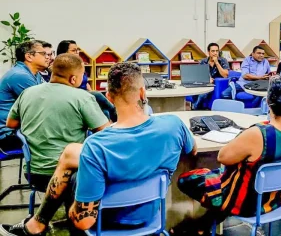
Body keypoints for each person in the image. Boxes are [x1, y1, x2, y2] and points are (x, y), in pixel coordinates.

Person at [67, 62, 196, 232]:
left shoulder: (95, 145)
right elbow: (192, 150)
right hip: (152, 216)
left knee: (74, 180)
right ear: (142, 92)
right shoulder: (174, 125)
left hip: (107, 223)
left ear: (109, 97)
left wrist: (69, 207)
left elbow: (85, 222)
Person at [173, 78, 281, 235]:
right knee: (232, 177)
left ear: (267, 101)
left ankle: (199, 223)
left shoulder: (259, 134)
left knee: (188, 179)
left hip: (246, 204)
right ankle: (203, 225)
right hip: (277, 199)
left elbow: (223, 157)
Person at [0, 54, 110, 236]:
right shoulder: (82, 97)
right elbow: (105, 134)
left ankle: (39, 223)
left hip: (34, 173)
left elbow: (11, 124)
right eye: (83, 75)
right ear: (74, 78)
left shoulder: (28, 92)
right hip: (69, 176)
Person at [0, 40, 48, 152]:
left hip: (22, 129)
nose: (48, 57)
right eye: (43, 54)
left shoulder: (34, 74)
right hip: (9, 135)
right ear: (29, 56)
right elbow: (44, 104)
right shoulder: (20, 76)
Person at [57, 40, 117, 122]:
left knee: (104, 111)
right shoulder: (60, 67)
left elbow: (86, 83)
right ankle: (115, 114)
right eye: (74, 50)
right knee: (98, 95)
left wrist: (91, 94)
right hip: (74, 95)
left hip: (85, 94)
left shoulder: (78, 64)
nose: (77, 52)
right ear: (64, 52)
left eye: (78, 50)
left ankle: (107, 128)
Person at [194, 42, 230, 109]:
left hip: (218, 85)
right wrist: (207, 79)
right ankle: (200, 109)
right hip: (206, 84)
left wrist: (216, 62)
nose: (215, 53)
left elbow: (225, 75)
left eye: (217, 51)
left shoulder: (223, 61)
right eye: (213, 51)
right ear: (208, 52)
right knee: (194, 91)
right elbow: (199, 74)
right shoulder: (203, 61)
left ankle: (195, 108)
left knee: (202, 95)